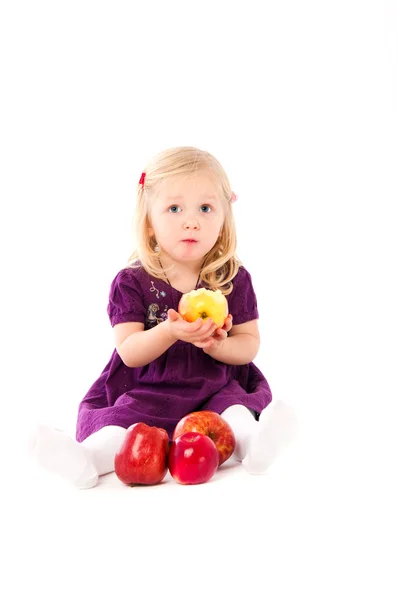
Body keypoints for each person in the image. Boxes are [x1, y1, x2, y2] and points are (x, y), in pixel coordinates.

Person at [29, 146, 295, 489]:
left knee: (233, 413)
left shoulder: (231, 279)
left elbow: (248, 345)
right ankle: (84, 460)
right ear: (149, 223)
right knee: (122, 428)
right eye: (174, 208)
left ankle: (257, 445)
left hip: (214, 384)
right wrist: (170, 331)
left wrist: (216, 345)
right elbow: (129, 351)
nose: (191, 220)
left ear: (224, 218)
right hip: (148, 388)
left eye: (205, 207)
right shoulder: (132, 281)